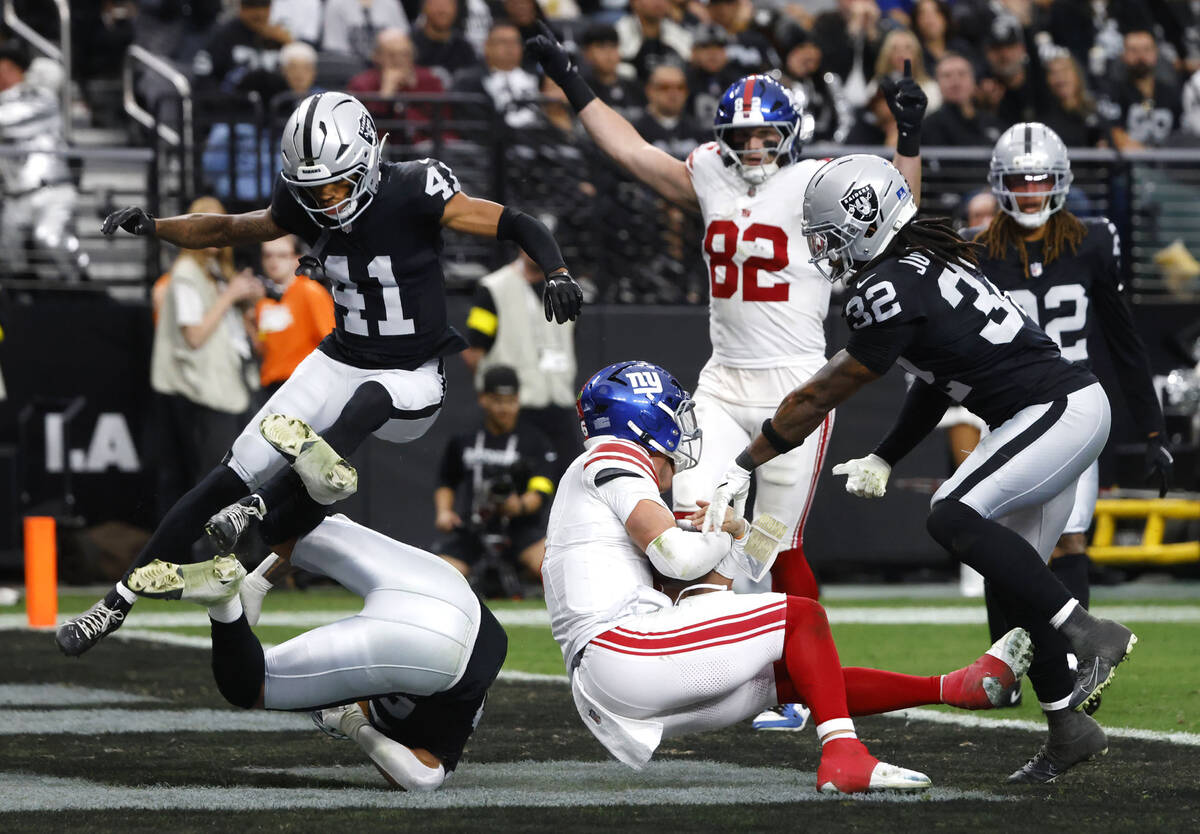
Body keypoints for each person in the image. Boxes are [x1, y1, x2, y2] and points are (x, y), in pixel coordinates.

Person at [57, 92, 582, 657]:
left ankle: (256, 510)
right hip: (340, 359)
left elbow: (514, 221)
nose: (327, 201)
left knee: (368, 400)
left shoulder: (414, 188)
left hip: (413, 375)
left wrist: (556, 269)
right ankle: (115, 603)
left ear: (369, 160)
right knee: (230, 472)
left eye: (336, 185)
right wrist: (157, 225)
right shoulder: (303, 200)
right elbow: (229, 228)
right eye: (314, 192)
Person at [525, 25, 929, 732]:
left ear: (790, 134)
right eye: (742, 136)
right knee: (696, 514)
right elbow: (631, 151)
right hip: (719, 385)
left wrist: (910, 140)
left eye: (765, 134)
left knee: (775, 541)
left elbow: (894, 212)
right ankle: (694, 660)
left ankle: (801, 688)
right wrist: (572, 80)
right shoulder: (709, 170)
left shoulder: (815, 182)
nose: (754, 147)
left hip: (797, 390)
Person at [702, 153, 1141, 784]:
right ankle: (1068, 729)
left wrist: (746, 461)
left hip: (1054, 409)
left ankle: (1089, 632)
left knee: (950, 514)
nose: (825, 249)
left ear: (867, 222)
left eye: (832, 234)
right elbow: (939, 379)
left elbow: (818, 395)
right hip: (1053, 412)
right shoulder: (929, 260)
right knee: (1015, 581)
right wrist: (886, 454)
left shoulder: (885, 290)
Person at [541, 359, 1034, 793]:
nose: (682, 433)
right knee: (801, 617)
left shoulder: (604, 485)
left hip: (617, 677)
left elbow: (715, 583)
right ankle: (845, 757)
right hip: (623, 653)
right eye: (673, 417)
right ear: (643, 421)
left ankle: (955, 687)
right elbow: (679, 560)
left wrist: (739, 530)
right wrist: (721, 529)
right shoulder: (614, 456)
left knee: (797, 674)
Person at [969, 122, 1173, 705]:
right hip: (1009, 414)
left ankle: (1078, 660)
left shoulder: (1091, 241)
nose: (1031, 193)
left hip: (1073, 415)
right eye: (1020, 181)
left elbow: (1124, 340)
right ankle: (1008, 660)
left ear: (1058, 182)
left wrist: (1153, 427)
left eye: (1041, 181)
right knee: (998, 544)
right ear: (1001, 186)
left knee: (1070, 538)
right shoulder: (979, 251)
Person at [125, 510, 506, 792]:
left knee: (293, 534)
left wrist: (260, 582)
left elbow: (331, 531)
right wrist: (354, 726)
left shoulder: (432, 703)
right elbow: (422, 778)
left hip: (458, 593)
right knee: (248, 688)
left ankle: (305, 480)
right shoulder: (442, 724)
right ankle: (224, 605)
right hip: (439, 653)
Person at [150, 196, 264, 518]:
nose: (216, 234)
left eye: (220, 226)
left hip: (233, 384)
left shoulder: (215, 270)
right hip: (203, 394)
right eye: (208, 227)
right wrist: (231, 295)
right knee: (208, 478)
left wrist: (245, 301)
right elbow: (195, 336)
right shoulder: (186, 272)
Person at [434, 365, 556, 588]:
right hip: (474, 528)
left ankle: (522, 579)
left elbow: (543, 488)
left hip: (520, 530)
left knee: (552, 569)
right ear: (483, 399)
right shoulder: (465, 437)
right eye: (498, 401)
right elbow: (446, 480)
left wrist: (519, 505)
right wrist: (444, 512)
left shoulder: (535, 441)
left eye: (511, 401)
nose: (505, 409)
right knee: (440, 576)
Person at [462, 251, 579, 477]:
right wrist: (495, 395)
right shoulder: (494, 287)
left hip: (560, 403)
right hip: (516, 408)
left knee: (571, 478)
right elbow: (474, 351)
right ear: (521, 245)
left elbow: (570, 339)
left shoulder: (568, 287)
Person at [0, 40, 87, 281]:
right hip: (16, 197)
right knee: (9, 247)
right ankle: (26, 296)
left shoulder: (41, 97)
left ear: (11, 67)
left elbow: (9, 121)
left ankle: (83, 288)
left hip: (52, 189)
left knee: (49, 238)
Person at [253, 235, 336, 399]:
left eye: (282, 255)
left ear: (296, 258)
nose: (274, 261)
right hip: (272, 386)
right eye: (268, 255)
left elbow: (330, 338)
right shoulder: (263, 302)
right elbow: (264, 347)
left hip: (303, 382)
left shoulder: (310, 292)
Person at [1098, 29, 1183, 150]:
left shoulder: (1171, 93)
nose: (1141, 56)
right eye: (1133, 50)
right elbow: (1114, 133)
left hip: (1169, 159)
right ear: (1124, 55)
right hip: (1130, 159)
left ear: (1155, 53)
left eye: (1146, 49)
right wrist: (1147, 154)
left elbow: (1181, 133)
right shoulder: (1113, 92)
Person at [920, 53, 1002, 147]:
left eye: (962, 74)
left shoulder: (994, 124)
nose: (956, 82)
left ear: (974, 81)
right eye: (947, 76)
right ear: (937, 83)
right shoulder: (926, 129)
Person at [579, 23, 645, 118]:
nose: (608, 53)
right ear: (586, 53)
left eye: (613, 46)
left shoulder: (636, 88)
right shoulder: (581, 89)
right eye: (601, 47)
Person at [412, 0, 480, 80]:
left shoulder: (465, 48)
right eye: (436, 4)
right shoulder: (409, 45)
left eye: (448, 4)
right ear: (424, 7)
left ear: (456, 8)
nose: (442, 10)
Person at [322, 0, 409, 59]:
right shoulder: (336, 3)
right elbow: (334, 47)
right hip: (349, 68)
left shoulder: (391, 3)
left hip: (387, 65)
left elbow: (403, 40)